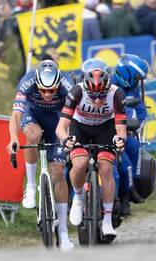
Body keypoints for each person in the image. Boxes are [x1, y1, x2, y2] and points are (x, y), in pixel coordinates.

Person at [6, 59, 75, 250]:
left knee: (59, 172)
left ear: (58, 84)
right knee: (33, 135)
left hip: (57, 122)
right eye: (42, 90)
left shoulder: (68, 85)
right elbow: (16, 116)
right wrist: (13, 138)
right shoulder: (27, 82)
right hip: (33, 115)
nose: (46, 94)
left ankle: (62, 230)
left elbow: (76, 117)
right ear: (36, 82)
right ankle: (30, 185)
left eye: (51, 91)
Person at [56, 58, 127, 239]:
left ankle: (107, 221)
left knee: (106, 167)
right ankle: (78, 197)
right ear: (86, 90)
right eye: (93, 96)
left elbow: (121, 130)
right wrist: (65, 139)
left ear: (108, 90)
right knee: (79, 164)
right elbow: (61, 127)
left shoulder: (116, 94)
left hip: (106, 128)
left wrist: (120, 140)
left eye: (101, 96)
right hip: (80, 127)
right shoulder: (76, 91)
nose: (97, 100)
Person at [111, 54, 149, 216]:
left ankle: (128, 194)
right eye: (136, 78)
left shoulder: (133, 91)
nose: (138, 82)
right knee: (123, 163)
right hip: (105, 132)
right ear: (128, 75)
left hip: (125, 133)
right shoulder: (107, 85)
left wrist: (134, 125)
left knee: (134, 147)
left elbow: (140, 113)